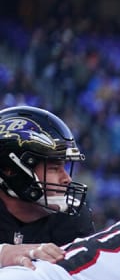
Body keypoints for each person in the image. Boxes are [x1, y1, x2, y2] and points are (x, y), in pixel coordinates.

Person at [0, 106, 96, 264]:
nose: (67, 179)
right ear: (11, 170)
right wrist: (3, 254)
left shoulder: (72, 221)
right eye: (54, 168)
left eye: (64, 167)